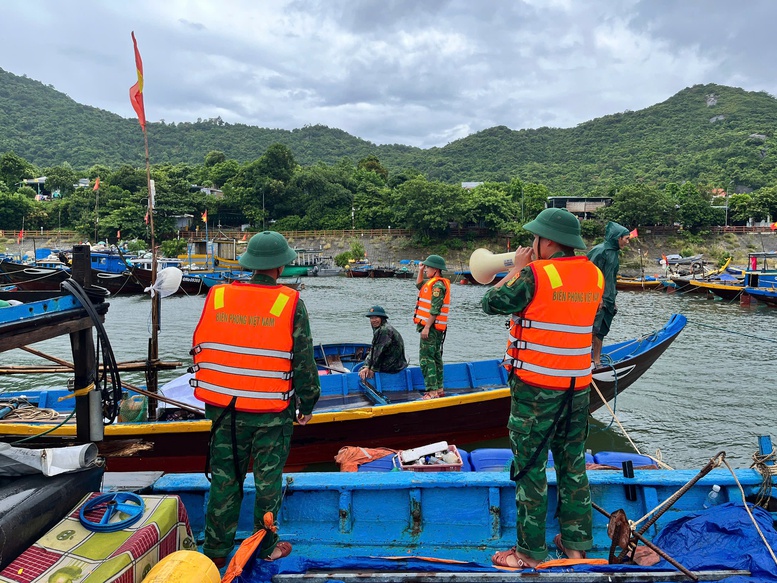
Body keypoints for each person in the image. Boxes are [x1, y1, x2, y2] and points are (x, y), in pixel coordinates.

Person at [481, 208, 603, 569]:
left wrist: (517, 268)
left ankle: (528, 553)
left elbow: (490, 303)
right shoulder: (594, 275)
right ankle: (576, 546)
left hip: (536, 390)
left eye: (535, 238)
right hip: (577, 389)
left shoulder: (535, 275)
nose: (531, 245)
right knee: (572, 463)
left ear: (547, 241)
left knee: (530, 466)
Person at [191, 231, 321, 568]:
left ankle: (216, 552)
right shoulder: (289, 302)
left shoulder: (218, 296)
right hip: (270, 413)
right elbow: (304, 362)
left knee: (225, 479)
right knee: (267, 483)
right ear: (280, 266)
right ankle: (264, 548)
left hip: (223, 411)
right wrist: (306, 404)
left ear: (250, 263)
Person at [587, 222, 630, 367]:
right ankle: (584, 360)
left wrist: (613, 299)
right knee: (592, 330)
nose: (627, 242)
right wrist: (596, 297)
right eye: (626, 238)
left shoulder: (614, 253)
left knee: (601, 331)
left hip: (608, 299)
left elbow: (610, 278)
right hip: (597, 299)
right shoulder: (600, 251)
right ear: (618, 238)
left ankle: (597, 360)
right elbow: (590, 275)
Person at [413, 254, 450, 399]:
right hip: (434, 328)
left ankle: (432, 391)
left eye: (428, 267)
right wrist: (420, 270)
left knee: (426, 358)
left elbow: (435, 308)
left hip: (432, 328)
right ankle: (439, 389)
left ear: (435, 269)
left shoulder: (438, 286)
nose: (426, 269)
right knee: (435, 357)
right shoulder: (433, 283)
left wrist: (427, 327)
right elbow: (419, 285)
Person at [358, 305, 408, 380]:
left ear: (382, 318)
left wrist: (372, 368)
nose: (374, 320)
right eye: (371, 318)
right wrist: (367, 366)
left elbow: (378, 351)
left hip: (394, 366)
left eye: (376, 317)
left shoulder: (384, 330)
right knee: (365, 365)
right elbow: (375, 349)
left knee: (361, 371)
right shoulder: (381, 328)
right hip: (395, 362)